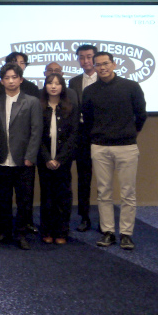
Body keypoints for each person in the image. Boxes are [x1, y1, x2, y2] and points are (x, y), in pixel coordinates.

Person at [83, 51, 146, 250]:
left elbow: (141, 115)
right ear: (94, 67)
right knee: (104, 192)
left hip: (126, 146)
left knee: (128, 193)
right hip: (100, 147)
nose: (102, 67)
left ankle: (126, 234)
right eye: (98, 64)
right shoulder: (90, 91)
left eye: (106, 63)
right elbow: (88, 119)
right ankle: (108, 232)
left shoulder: (131, 87)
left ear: (114, 64)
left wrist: (130, 133)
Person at [0, 63, 42, 250]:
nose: (11, 81)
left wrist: (30, 156)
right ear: (2, 81)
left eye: (14, 77)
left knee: (24, 200)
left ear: (21, 79)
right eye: (7, 78)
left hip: (24, 160)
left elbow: (36, 131)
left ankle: (21, 234)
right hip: (2, 158)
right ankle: (3, 232)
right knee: (2, 199)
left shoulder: (32, 102)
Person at [37, 73, 79, 246]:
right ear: (45, 86)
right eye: (50, 83)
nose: (53, 86)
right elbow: (36, 135)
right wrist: (47, 158)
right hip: (44, 159)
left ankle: (61, 231)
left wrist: (60, 159)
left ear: (63, 87)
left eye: (57, 83)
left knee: (63, 196)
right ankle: (47, 230)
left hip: (64, 160)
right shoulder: (38, 107)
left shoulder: (71, 107)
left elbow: (74, 135)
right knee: (46, 195)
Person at [67, 44, 98, 232]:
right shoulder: (74, 82)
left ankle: (105, 220)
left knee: (103, 180)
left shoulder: (104, 80)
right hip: (81, 134)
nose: (85, 61)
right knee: (83, 178)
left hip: (101, 134)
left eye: (89, 57)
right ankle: (84, 217)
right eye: (81, 57)